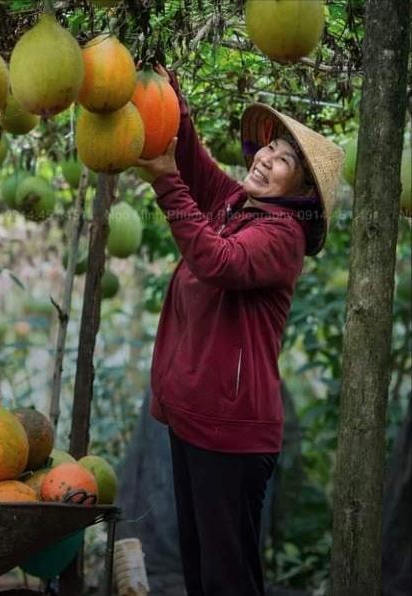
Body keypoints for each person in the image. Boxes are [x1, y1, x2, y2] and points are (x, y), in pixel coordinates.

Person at [136, 66, 344, 596]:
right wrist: (169, 94)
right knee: (201, 571)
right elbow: (193, 163)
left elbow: (218, 261)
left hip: (230, 435)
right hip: (192, 421)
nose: (265, 160)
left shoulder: (281, 236)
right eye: (267, 150)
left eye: (283, 162)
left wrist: (165, 183)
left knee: (228, 580)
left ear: (301, 191)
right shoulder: (235, 205)